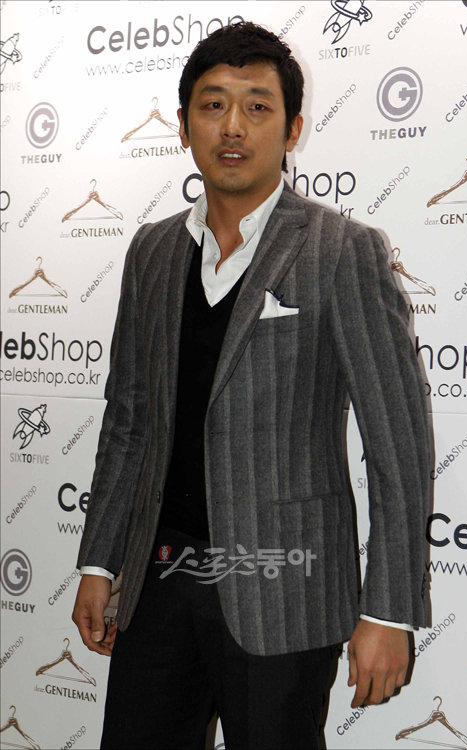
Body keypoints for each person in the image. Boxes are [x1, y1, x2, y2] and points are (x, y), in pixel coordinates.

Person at [72, 21, 430, 750]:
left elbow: (398, 441)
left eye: (258, 106)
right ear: (183, 126)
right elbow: (129, 419)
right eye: (213, 105)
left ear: (292, 128)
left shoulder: (342, 251)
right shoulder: (151, 250)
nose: (233, 126)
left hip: (286, 592)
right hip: (158, 580)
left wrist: (389, 610)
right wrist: (100, 559)